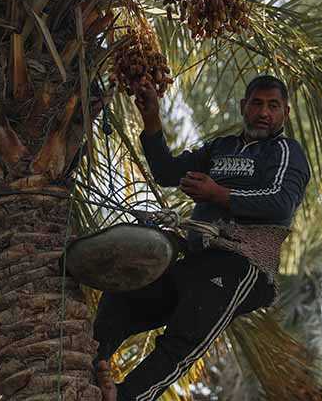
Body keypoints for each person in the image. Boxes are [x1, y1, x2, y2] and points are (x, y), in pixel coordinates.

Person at [93, 74, 311, 401]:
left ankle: (125, 398)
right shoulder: (220, 148)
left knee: (185, 337)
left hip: (242, 265)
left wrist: (219, 193)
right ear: (243, 107)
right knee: (125, 293)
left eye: (273, 106)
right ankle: (88, 364)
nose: (264, 112)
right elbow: (166, 172)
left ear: (285, 113)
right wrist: (151, 119)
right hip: (196, 262)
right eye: (257, 104)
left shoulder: (285, 151)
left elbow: (280, 200)